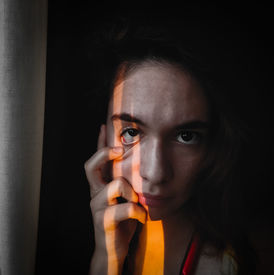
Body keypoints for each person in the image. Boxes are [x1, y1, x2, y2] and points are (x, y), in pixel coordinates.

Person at [84, 15, 256, 275]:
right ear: (104, 135)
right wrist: (106, 260)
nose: (154, 172)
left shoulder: (259, 256)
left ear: (213, 145)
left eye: (186, 136)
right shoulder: (52, 239)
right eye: (131, 132)